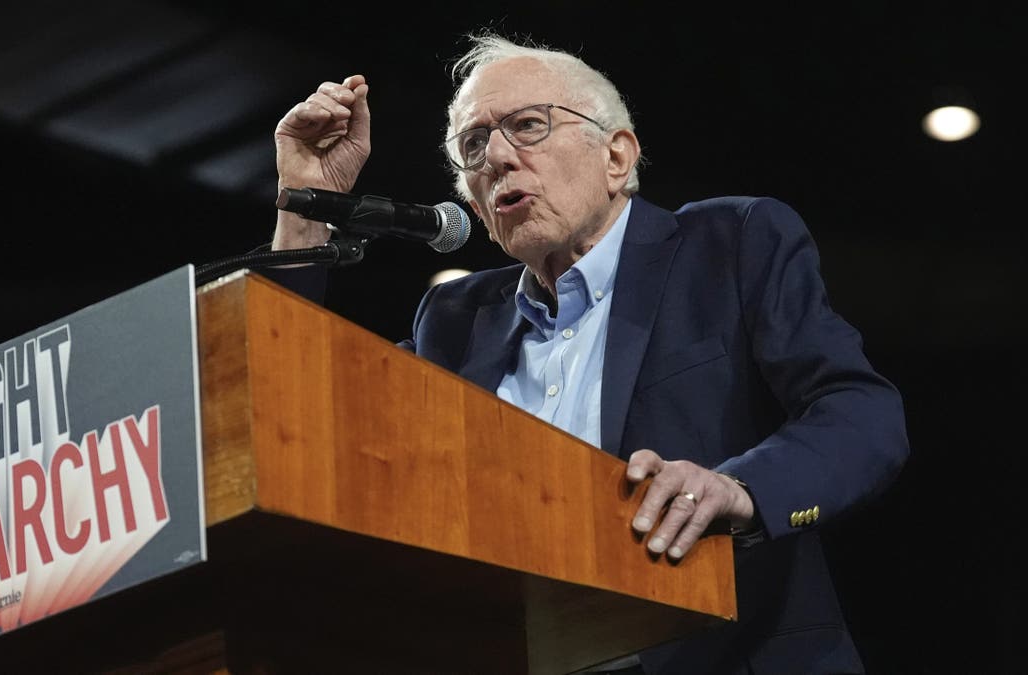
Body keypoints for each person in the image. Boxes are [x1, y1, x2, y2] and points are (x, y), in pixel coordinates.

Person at [265, 30, 909, 675]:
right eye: (472, 145)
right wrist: (305, 207)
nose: (496, 157)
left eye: (527, 125)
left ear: (617, 157)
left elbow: (858, 409)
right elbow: (298, 415)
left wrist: (738, 490)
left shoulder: (729, 245)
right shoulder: (455, 320)